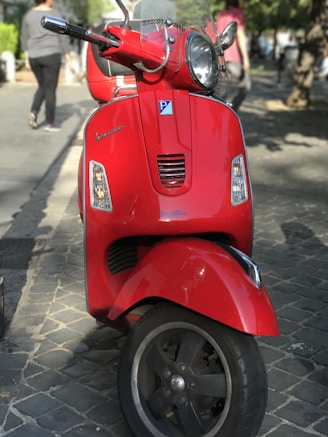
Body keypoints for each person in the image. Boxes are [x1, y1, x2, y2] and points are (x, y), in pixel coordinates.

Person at [21, 0, 73, 132]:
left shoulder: (28, 15)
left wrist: (27, 59)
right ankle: (50, 123)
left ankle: (34, 112)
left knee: (43, 86)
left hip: (34, 57)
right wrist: (69, 59)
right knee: (50, 89)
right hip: (51, 54)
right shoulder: (54, 14)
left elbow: (25, 38)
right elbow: (63, 37)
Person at [216, 0, 251, 111]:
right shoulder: (237, 13)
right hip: (233, 58)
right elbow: (240, 36)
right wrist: (245, 59)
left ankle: (220, 112)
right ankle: (231, 110)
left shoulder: (221, 14)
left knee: (223, 89)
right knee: (246, 85)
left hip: (220, 57)